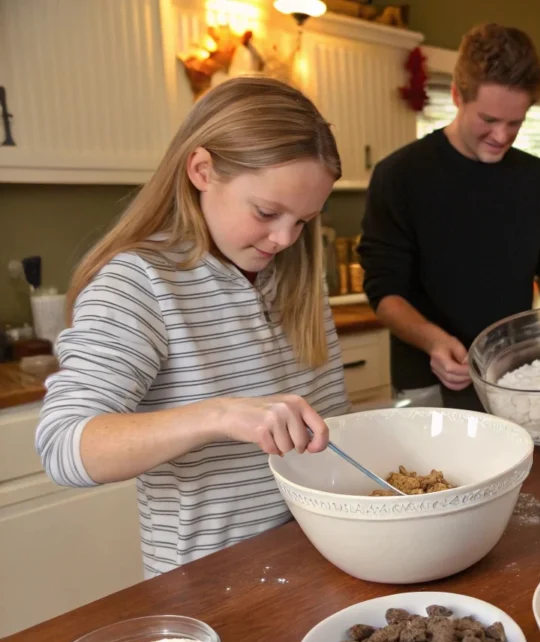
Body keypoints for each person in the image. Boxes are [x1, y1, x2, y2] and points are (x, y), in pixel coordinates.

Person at [35, 77, 350, 577]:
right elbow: (65, 444)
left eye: (304, 220)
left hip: (319, 557)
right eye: (267, 212)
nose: (285, 238)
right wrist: (219, 415)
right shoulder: (138, 283)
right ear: (202, 170)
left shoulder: (295, 274)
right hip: (210, 584)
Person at [359, 23, 540, 411]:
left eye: (516, 122)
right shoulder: (400, 174)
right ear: (458, 95)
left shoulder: (537, 178)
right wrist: (433, 340)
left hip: (514, 376)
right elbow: (384, 293)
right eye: (489, 119)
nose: (501, 135)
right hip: (427, 378)